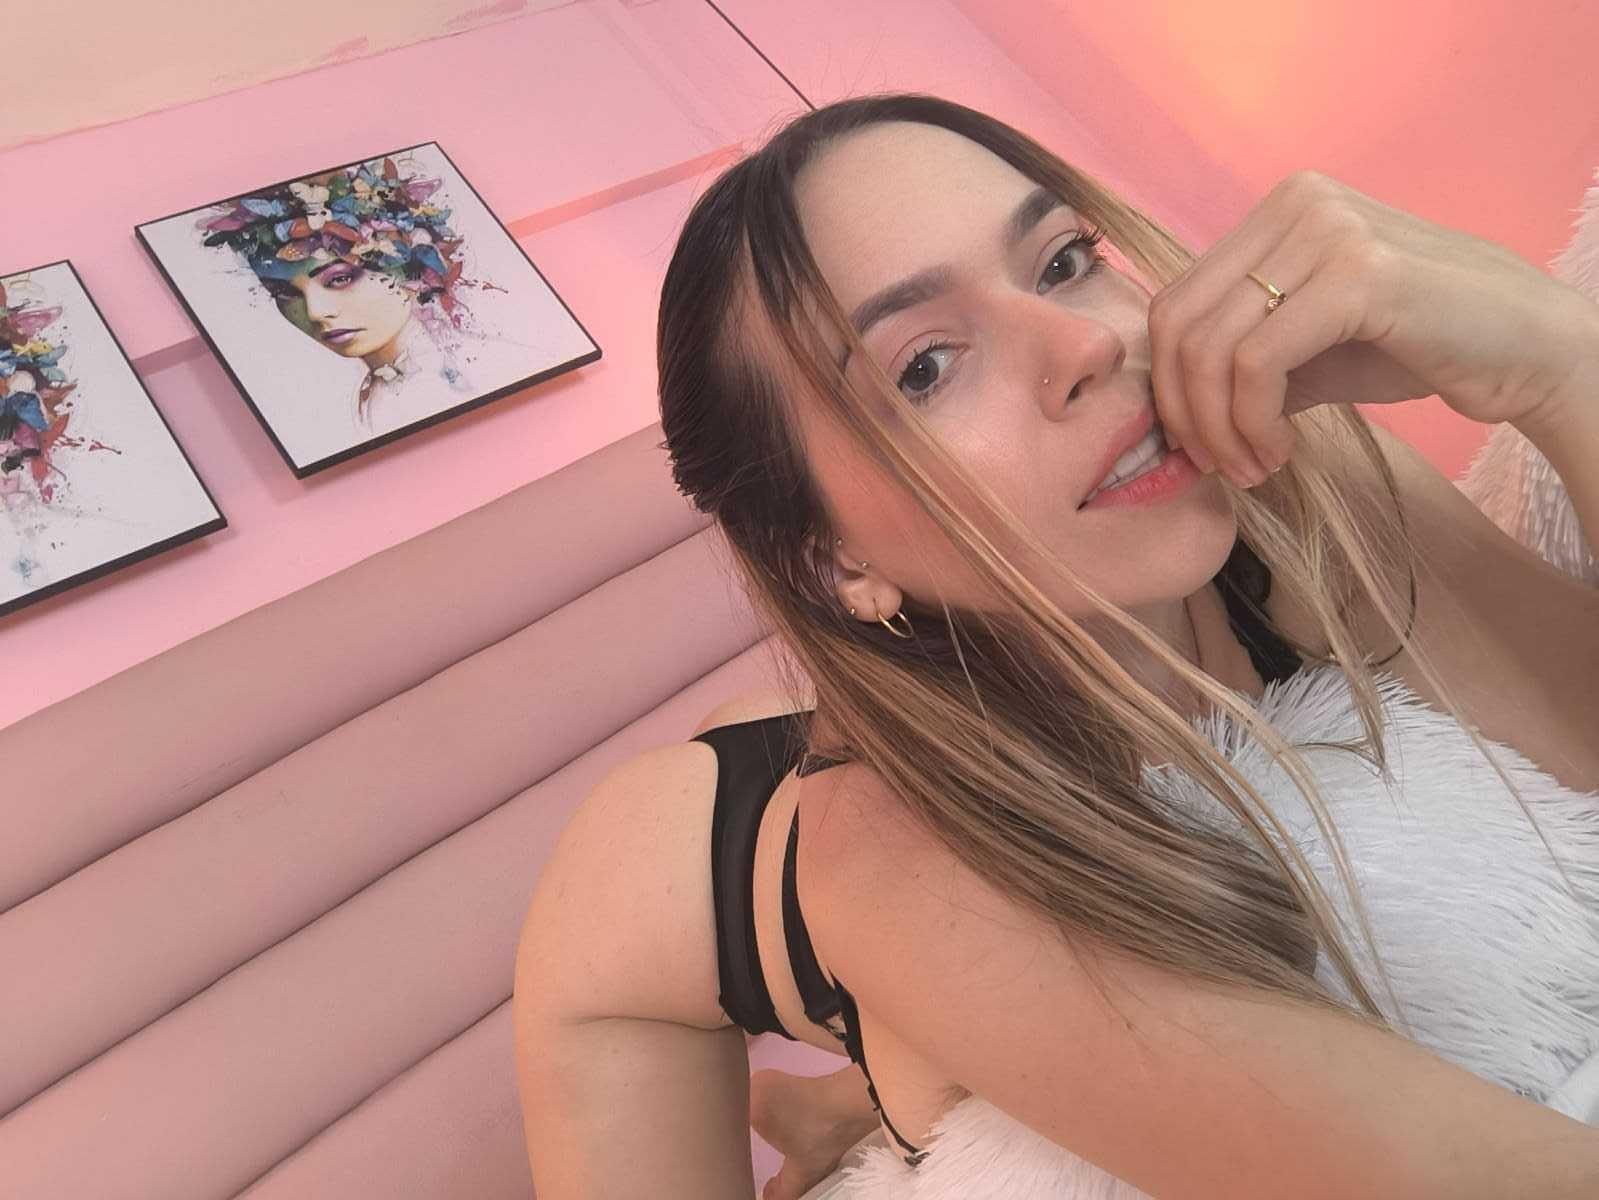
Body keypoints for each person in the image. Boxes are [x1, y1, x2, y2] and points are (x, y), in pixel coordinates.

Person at [512, 91, 1599, 1199]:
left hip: (954, 694)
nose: (1090, 343)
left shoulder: (1305, 492)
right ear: (833, 560)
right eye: (924, 367)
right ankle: (864, 1093)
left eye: (1063, 262)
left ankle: (842, 1102)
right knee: (925, 1025)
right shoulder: (889, 860)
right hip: (670, 892)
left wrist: (1560, 367)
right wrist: (1565, 372)